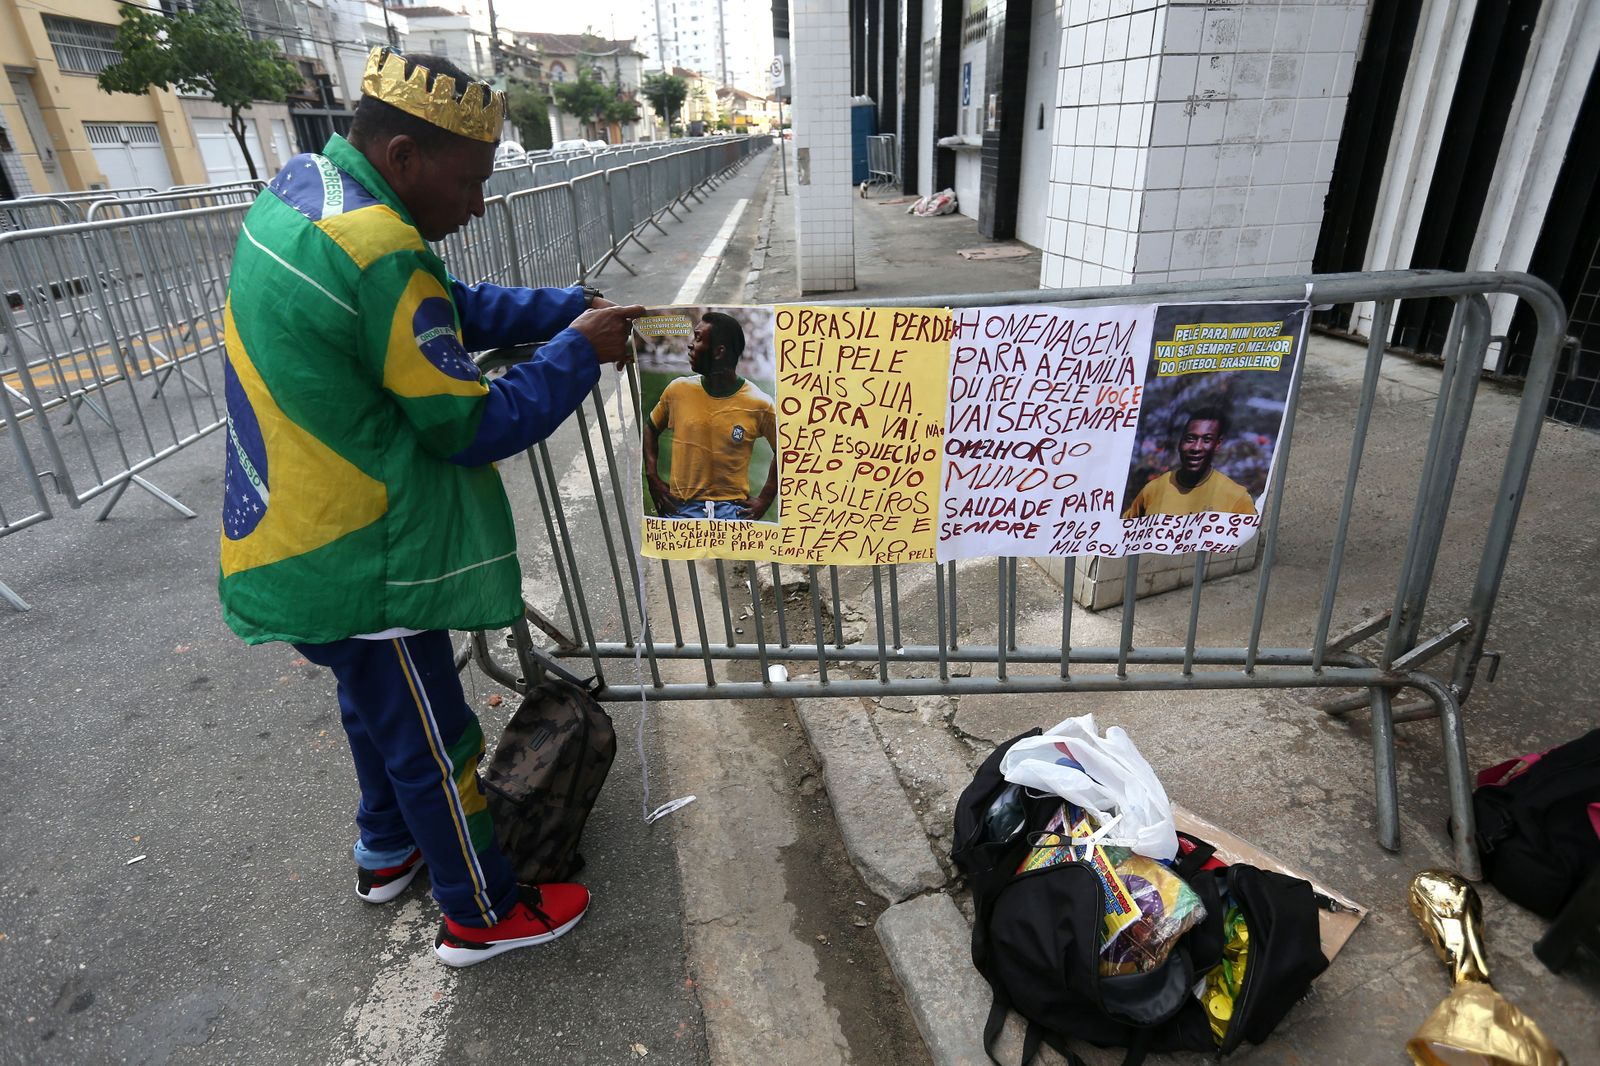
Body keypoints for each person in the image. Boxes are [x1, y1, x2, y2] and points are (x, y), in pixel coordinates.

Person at [216, 47, 643, 968]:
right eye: (470, 180)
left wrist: (559, 308)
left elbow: (440, 309)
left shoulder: (311, 188)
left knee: (378, 714)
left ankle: (386, 850)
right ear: (405, 157)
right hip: (362, 556)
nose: (479, 203)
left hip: (292, 539)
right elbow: (469, 422)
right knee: (435, 742)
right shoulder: (379, 249)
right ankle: (482, 913)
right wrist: (575, 352)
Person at [644, 311, 778, 520]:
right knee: (678, 554)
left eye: (697, 338)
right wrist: (652, 478)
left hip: (733, 512)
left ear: (718, 352)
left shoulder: (759, 403)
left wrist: (765, 498)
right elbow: (650, 429)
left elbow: (785, 450)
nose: (690, 345)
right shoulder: (677, 390)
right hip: (680, 509)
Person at [1122, 407, 1256, 518]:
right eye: (1190, 439)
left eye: (1206, 440)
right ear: (1180, 442)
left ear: (1217, 444)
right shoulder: (1154, 489)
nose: (1196, 448)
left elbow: (1251, 545)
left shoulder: (1236, 497)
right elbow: (1122, 534)